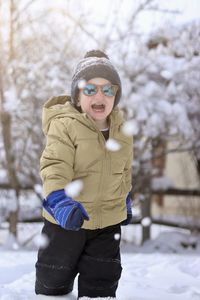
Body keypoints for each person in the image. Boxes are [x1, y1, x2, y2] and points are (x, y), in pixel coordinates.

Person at [35, 50, 133, 299]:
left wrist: (125, 198)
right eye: (90, 89)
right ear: (78, 97)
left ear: (115, 95)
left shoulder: (122, 130)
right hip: (66, 221)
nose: (100, 95)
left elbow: (124, 169)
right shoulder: (65, 125)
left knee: (101, 284)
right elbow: (55, 165)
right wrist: (58, 200)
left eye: (108, 89)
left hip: (107, 225)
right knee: (53, 282)